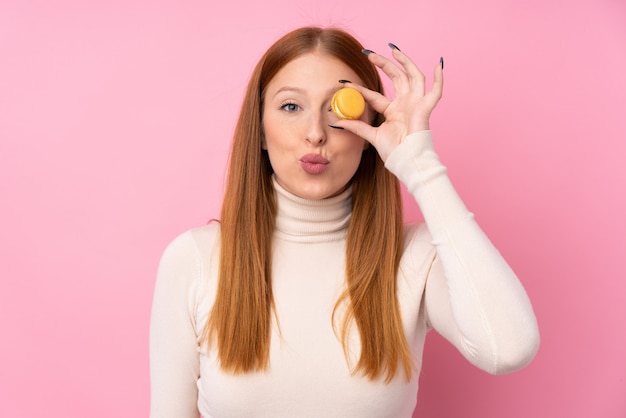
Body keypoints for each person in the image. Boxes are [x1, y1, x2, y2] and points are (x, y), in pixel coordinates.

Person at [149, 26, 540, 418]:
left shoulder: (415, 258)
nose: (315, 134)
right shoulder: (194, 259)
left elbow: (508, 348)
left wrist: (418, 163)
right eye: (290, 107)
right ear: (262, 132)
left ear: (371, 128)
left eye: (339, 108)